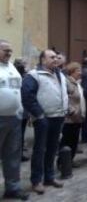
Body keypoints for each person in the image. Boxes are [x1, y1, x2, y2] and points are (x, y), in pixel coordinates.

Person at [22, 49, 68, 194]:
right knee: (40, 150)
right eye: (52, 57)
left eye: (56, 57)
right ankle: (36, 181)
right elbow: (27, 97)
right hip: (43, 118)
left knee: (52, 149)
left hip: (58, 116)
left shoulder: (59, 74)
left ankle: (49, 176)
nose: (55, 59)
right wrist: (39, 115)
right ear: (43, 60)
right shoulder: (34, 75)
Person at [0, 40, 29, 201]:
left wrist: (19, 111)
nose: (9, 53)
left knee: (12, 155)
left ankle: (13, 188)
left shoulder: (11, 66)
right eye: (5, 50)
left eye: (10, 50)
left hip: (14, 118)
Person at [59, 62, 86, 168]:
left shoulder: (78, 83)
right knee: (67, 140)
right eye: (78, 70)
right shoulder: (67, 82)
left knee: (74, 140)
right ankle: (62, 162)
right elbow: (64, 97)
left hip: (78, 117)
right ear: (72, 71)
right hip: (70, 118)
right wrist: (71, 110)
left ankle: (70, 160)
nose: (80, 72)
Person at [13, 58, 30, 162]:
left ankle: (18, 153)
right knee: (18, 133)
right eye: (24, 64)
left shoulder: (23, 75)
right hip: (19, 108)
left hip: (21, 109)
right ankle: (16, 154)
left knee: (19, 133)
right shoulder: (22, 76)